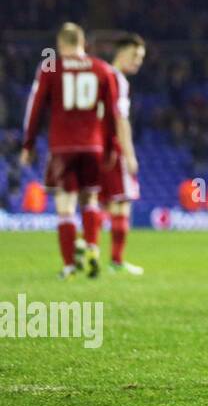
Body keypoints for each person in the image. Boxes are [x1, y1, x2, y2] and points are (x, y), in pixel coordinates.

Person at [19, 23, 126, 279]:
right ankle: (92, 248)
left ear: (60, 44)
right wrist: (112, 146)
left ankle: (69, 265)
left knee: (65, 206)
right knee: (90, 199)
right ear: (83, 43)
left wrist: (29, 144)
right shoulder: (102, 68)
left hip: (62, 147)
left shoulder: (50, 68)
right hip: (93, 146)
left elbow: (36, 108)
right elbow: (111, 113)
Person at [100, 33, 147, 274]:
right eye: (135, 55)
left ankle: (86, 254)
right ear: (121, 52)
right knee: (122, 202)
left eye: (141, 57)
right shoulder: (116, 79)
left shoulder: (99, 75)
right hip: (112, 148)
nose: (138, 61)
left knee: (101, 204)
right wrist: (129, 154)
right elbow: (121, 119)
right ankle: (116, 262)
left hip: (94, 146)